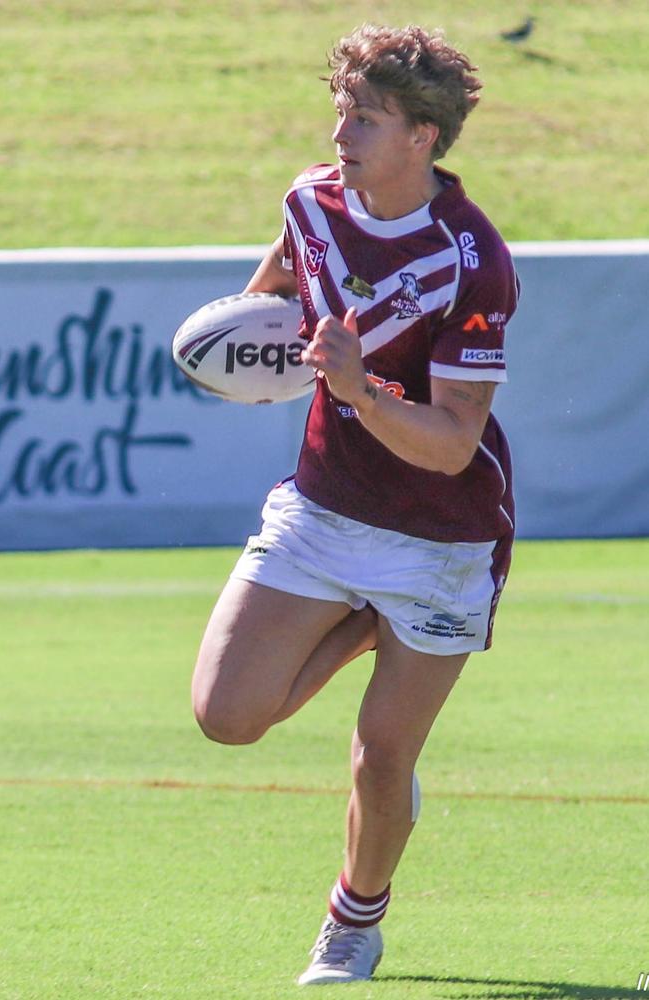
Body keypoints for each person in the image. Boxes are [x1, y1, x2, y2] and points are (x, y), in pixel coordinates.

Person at [191, 22, 518, 985]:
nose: (343, 132)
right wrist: (239, 348)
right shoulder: (308, 201)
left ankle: (353, 922)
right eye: (341, 110)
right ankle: (370, 626)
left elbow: (456, 444)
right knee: (226, 715)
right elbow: (277, 303)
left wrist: (359, 388)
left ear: (422, 135)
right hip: (324, 510)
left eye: (366, 117)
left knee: (382, 759)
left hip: (441, 539)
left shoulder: (472, 261)